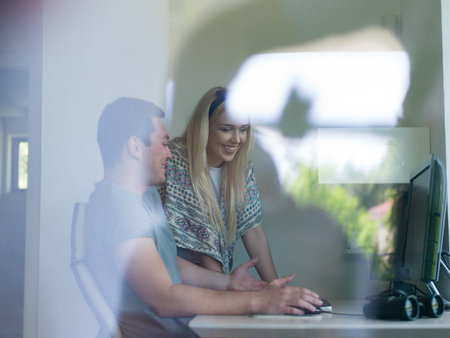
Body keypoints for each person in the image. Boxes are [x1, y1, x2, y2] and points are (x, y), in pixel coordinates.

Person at [84, 97, 323, 338]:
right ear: (135, 147)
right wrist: (257, 301)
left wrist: (229, 283)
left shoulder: (137, 203)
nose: (170, 154)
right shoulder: (120, 208)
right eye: (165, 144)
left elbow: (165, 265)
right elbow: (164, 298)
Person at [157, 86, 277, 281]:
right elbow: (202, 242)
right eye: (226, 129)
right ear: (204, 128)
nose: (237, 139)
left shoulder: (242, 170)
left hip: (217, 280)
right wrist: (225, 287)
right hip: (174, 276)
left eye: (243, 130)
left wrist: (276, 287)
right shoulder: (175, 160)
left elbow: (253, 230)